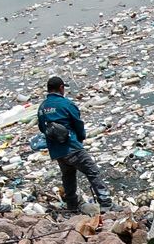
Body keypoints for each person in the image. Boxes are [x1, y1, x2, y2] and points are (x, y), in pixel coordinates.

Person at [38, 76, 112, 213]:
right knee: (92, 171)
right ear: (61, 88)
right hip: (71, 146)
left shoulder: (42, 107)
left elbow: (42, 128)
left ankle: (71, 206)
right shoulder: (66, 104)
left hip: (56, 151)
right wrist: (80, 139)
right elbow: (78, 124)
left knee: (68, 176)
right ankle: (106, 203)